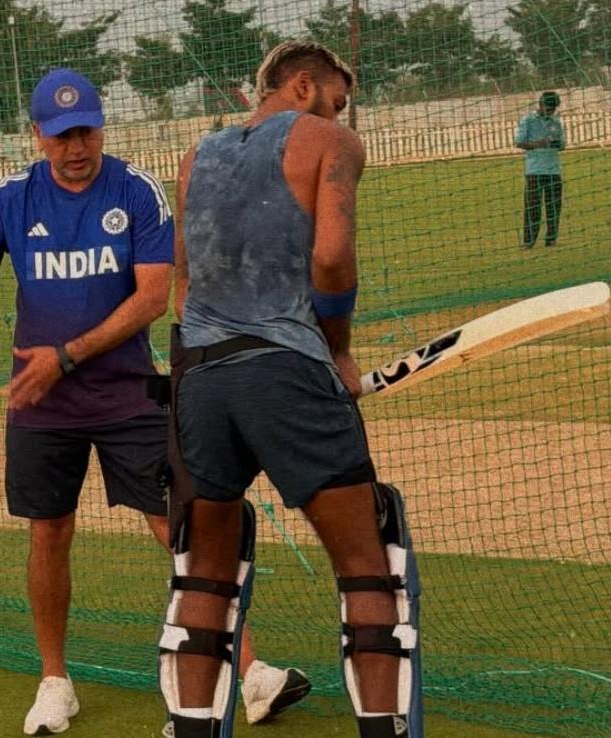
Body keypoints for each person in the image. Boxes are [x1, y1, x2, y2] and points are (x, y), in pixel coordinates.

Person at [0, 67, 308, 736]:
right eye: (63, 134)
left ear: (102, 126)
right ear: (37, 134)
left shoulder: (136, 191)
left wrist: (65, 357)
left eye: (87, 130)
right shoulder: (10, 199)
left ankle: (247, 672)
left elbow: (153, 296)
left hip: (127, 396)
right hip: (39, 407)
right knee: (50, 532)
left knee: (182, 530)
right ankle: (54, 682)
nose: (77, 146)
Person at [158, 41, 423, 738]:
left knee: (205, 578)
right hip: (285, 369)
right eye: (337, 97)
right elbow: (331, 257)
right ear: (303, 85)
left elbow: (179, 292)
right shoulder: (330, 141)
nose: (342, 110)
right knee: (367, 563)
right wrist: (335, 350)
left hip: (202, 378)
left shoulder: (194, 157)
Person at [515, 90, 566, 249]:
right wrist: (539, 143)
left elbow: (562, 145)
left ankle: (551, 239)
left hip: (554, 170)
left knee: (554, 206)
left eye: (554, 109)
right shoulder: (528, 121)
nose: (551, 111)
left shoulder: (556, 122)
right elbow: (520, 143)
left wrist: (555, 143)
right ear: (541, 104)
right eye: (549, 108)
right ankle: (528, 241)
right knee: (533, 207)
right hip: (535, 170)